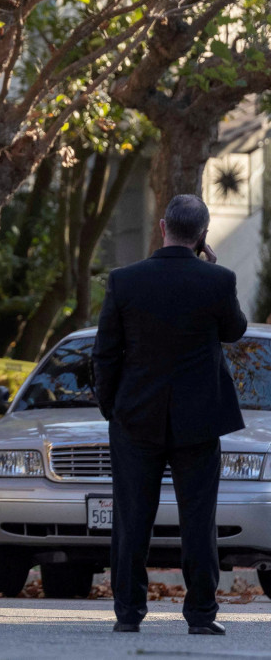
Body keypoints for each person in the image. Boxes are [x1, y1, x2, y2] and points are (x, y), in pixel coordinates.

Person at [92, 194, 247, 636]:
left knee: (131, 518)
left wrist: (112, 407)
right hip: (199, 421)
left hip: (135, 418)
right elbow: (235, 330)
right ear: (202, 234)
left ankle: (128, 614)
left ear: (162, 227)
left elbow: (104, 353)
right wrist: (212, 265)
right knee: (199, 519)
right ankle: (200, 615)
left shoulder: (125, 281)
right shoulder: (217, 280)